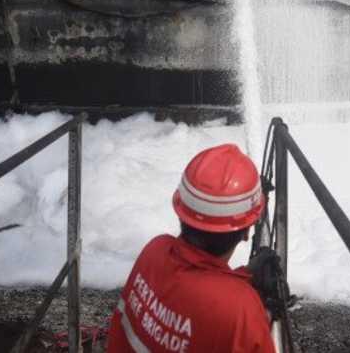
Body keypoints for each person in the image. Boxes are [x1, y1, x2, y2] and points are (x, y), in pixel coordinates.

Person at [105, 143, 277, 353]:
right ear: (246, 232)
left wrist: (245, 278)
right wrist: (264, 314)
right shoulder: (240, 310)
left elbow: (190, 297)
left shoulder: (155, 251)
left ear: (181, 212)